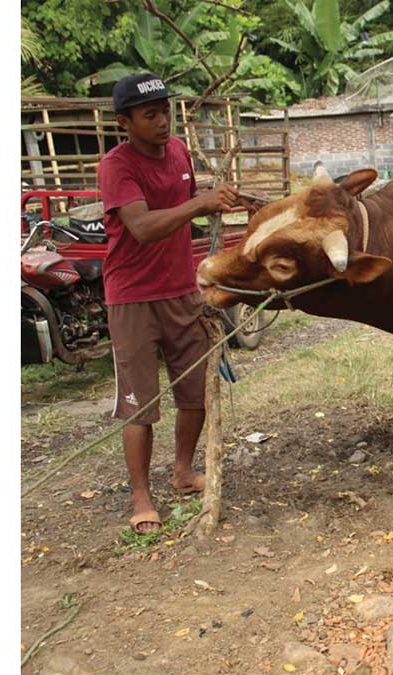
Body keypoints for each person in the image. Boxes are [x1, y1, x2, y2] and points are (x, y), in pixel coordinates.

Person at [97, 72, 239, 534]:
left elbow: (187, 208)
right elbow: (141, 226)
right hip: (133, 298)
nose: (163, 122)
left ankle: (182, 471)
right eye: (150, 115)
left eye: (166, 111)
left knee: (195, 392)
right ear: (125, 122)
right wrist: (199, 204)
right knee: (139, 404)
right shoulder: (116, 166)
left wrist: (212, 204)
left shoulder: (177, 151)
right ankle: (141, 496)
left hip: (181, 290)